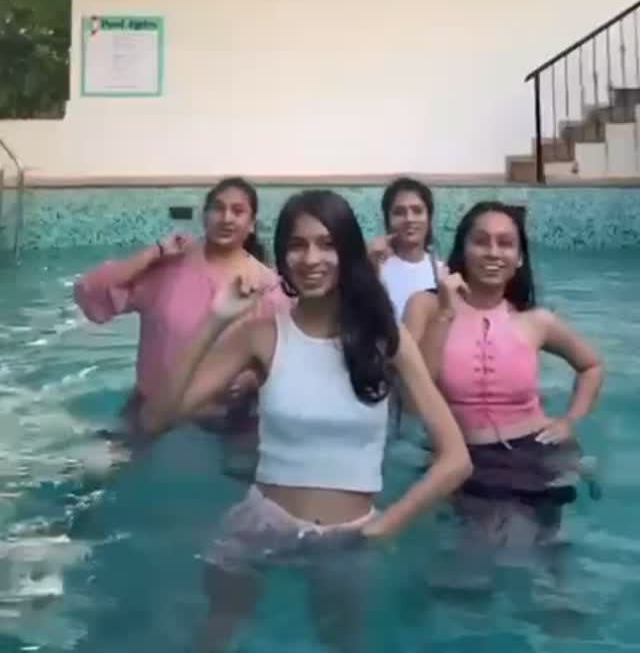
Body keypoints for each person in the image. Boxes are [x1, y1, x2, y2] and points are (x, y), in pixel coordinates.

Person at [140, 189, 471, 652]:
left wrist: (386, 526)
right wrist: (215, 320)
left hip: (349, 535)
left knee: (342, 642)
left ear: (348, 252)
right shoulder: (260, 334)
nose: (311, 259)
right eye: (297, 245)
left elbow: (455, 459)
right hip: (261, 525)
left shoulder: (385, 338)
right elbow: (156, 419)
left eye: (326, 244)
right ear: (282, 256)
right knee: (216, 638)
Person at [404, 200, 604, 556]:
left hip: (538, 451)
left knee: (546, 558)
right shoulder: (427, 306)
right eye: (481, 241)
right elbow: (414, 395)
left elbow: (591, 366)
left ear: (520, 258)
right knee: (473, 563)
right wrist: (446, 312)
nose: (494, 253)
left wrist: (569, 420)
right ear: (463, 250)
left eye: (506, 243)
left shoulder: (536, 321)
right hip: (462, 456)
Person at [73, 177, 287, 433]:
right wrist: (154, 252)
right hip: (149, 410)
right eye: (218, 209)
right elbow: (90, 290)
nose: (226, 218)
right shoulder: (167, 269)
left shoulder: (265, 286)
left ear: (251, 224)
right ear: (204, 216)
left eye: (238, 211)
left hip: (225, 419)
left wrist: (253, 378)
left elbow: (290, 360)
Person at [369, 177, 441, 321]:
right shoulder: (376, 267)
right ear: (387, 220)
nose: (409, 219)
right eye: (399, 212)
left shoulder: (441, 272)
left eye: (417, 211)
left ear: (429, 218)